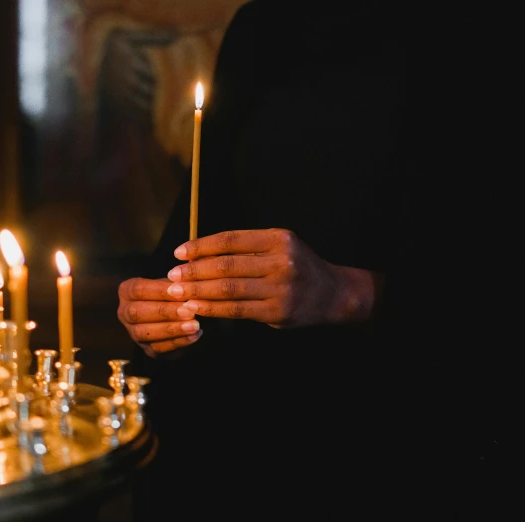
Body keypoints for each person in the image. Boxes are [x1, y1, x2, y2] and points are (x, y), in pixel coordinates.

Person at [116, 2, 517, 520]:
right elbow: (194, 224)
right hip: (229, 447)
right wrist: (155, 314)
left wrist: (349, 293)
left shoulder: (493, 28)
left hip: (400, 450)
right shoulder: (263, 24)